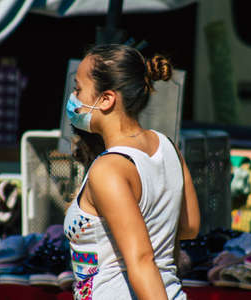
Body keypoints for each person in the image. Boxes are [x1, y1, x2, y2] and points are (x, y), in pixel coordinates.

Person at [63, 43, 200, 300]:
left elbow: (141, 260)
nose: (74, 98)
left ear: (106, 99)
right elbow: (189, 226)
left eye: (78, 89)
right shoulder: (169, 147)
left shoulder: (108, 168)